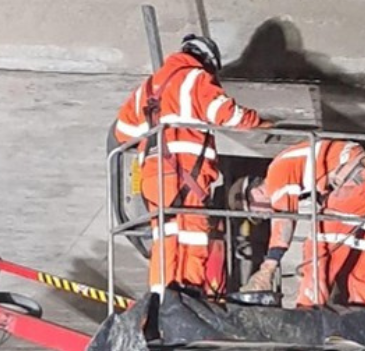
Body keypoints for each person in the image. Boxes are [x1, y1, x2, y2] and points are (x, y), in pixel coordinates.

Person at [113, 34, 269, 297]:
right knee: (192, 235)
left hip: (153, 176)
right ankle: (190, 297)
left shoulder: (148, 87)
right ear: (207, 61)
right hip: (185, 174)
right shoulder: (196, 77)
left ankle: (161, 299)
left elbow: (123, 132)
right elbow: (227, 114)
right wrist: (259, 122)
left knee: (166, 237)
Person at [239, 136, 365, 307]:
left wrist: (268, 268)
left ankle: (308, 309)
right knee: (357, 265)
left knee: (317, 250)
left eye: (256, 211)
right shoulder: (295, 165)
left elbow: (285, 219)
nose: (264, 216)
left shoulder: (275, 173)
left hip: (358, 181)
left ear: (255, 192)